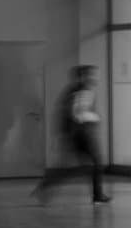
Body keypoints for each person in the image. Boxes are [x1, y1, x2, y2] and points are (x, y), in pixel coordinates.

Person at [33, 65, 110, 204]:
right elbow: (77, 113)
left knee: (76, 167)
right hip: (82, 135)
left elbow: (65, 113)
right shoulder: (82, 91)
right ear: (83, 76)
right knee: (96, 163)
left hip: (76, 134)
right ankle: (97, 196)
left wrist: (62, 134)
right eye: (91, 75)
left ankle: (45, 186)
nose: (95, 78)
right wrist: (95, 117)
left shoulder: (75, 90)